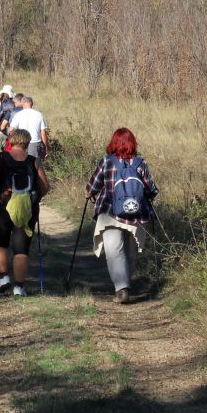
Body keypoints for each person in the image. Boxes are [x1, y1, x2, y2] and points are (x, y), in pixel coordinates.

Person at [84, 128, 159, 304]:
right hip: (137, 214)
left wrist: (89, 193)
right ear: (133, 143)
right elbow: (151, 189)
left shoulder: (106, 161)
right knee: (131, 252)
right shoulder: (140, 163)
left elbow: (92, 187)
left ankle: (122, 287)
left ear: (113, 143)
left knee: (114, 251)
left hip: (110, 211)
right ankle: (125, 283)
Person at [0, 128, 51, 297]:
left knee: (0, 243)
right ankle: (19, 288)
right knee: (21, 249)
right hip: (27, 208)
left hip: (2, 206)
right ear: (27, 143)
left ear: (10, 141)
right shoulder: (34, 161)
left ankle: (4, 278)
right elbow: (45, 187)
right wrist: (36, 198)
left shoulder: (0, 158)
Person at [8, 95, 48, 160]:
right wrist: (46, 147)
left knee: (21, 163)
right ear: (32, 103)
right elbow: (43, 133)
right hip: (35, 143)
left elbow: (11, 130)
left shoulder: (18, 114)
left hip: (21, 143)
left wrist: (14, 143)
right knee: (34, 164)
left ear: (22, 103)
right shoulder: (39, 114)